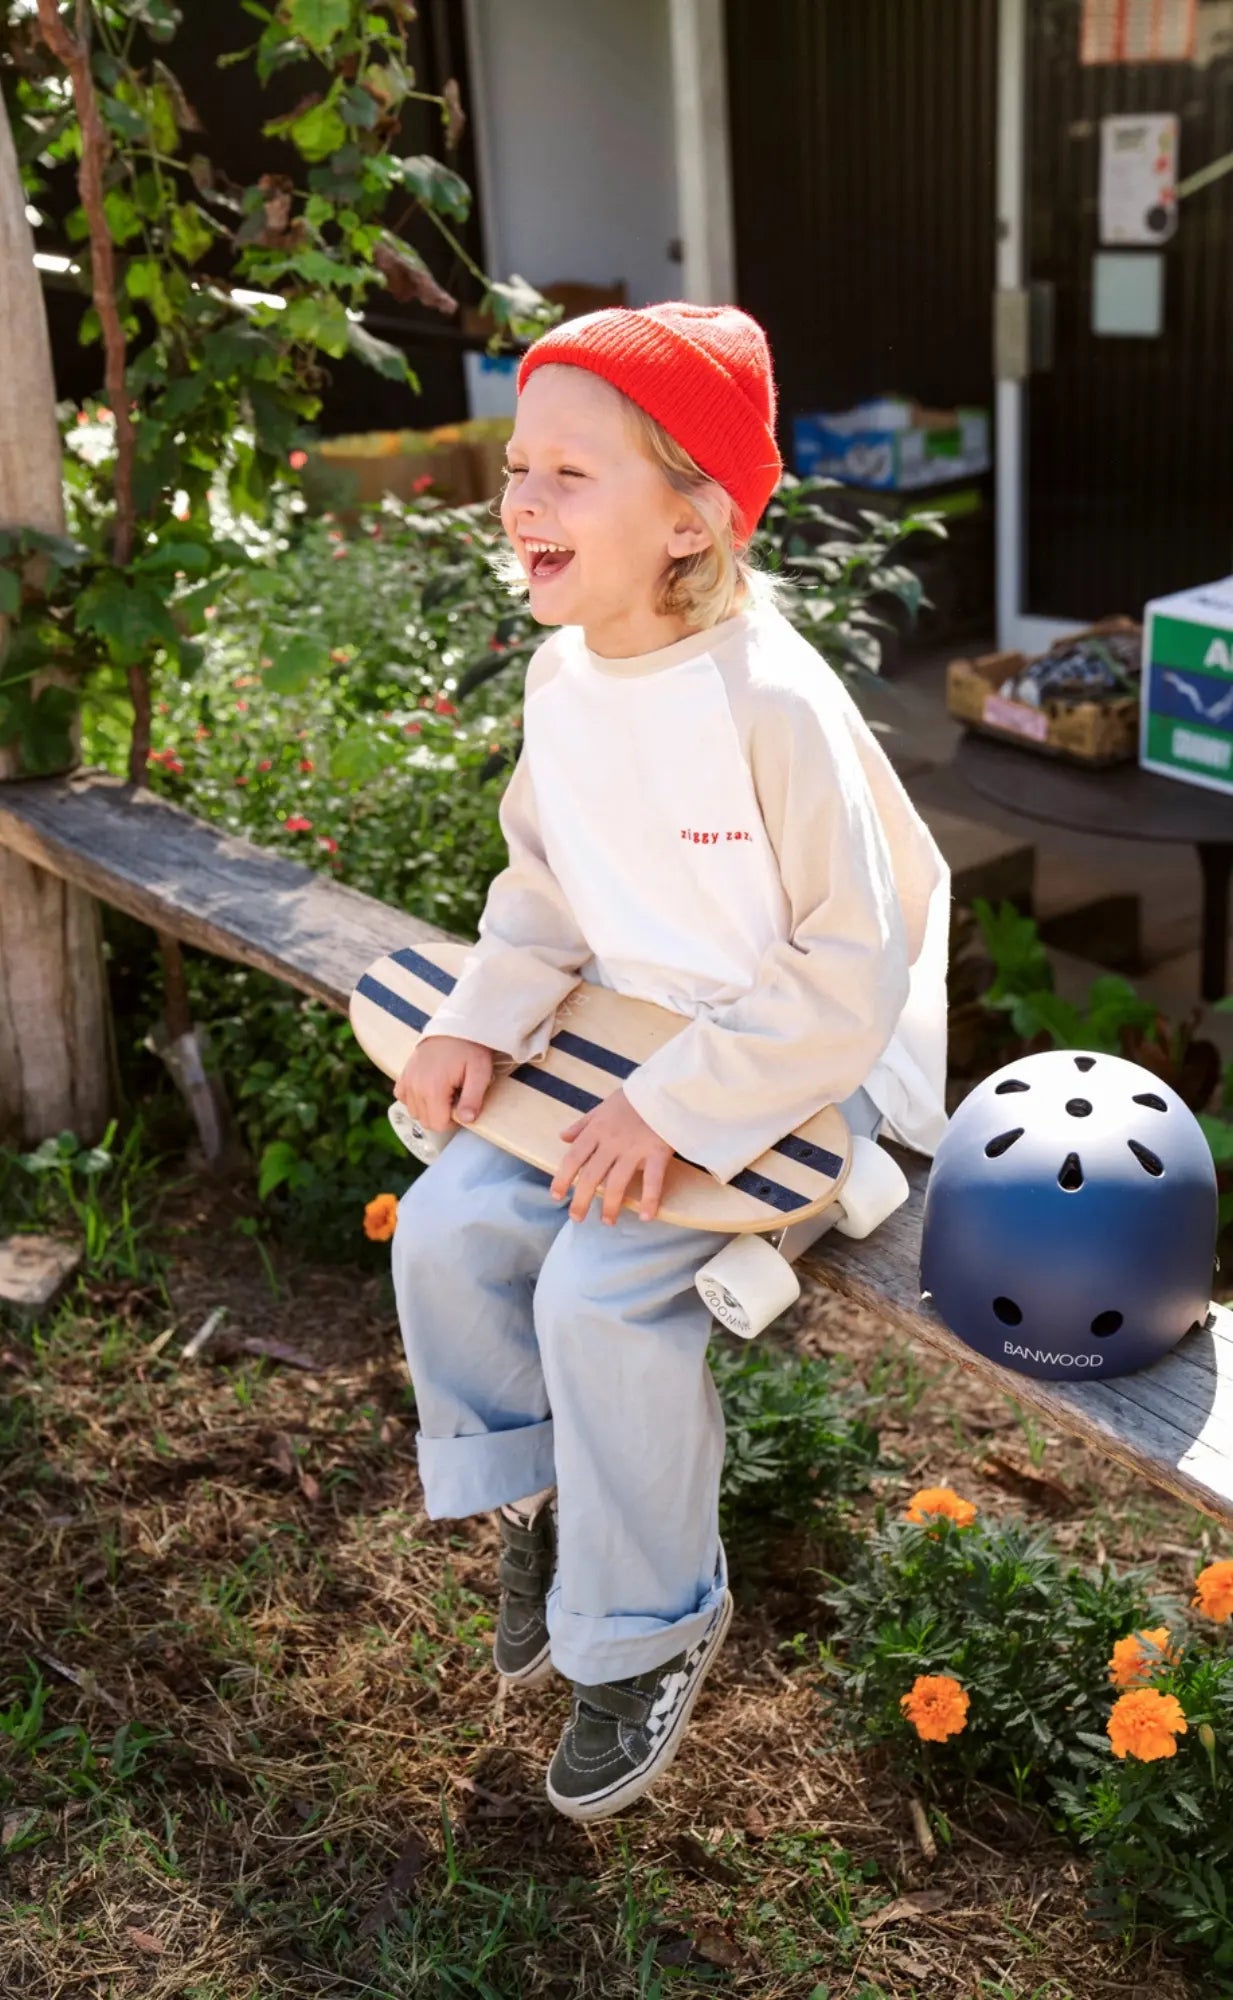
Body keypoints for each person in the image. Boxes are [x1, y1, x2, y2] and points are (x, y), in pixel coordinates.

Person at [390, 302, 949, 1823]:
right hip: (621, 1044)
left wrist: (678, 1109)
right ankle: (549, 1507)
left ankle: (647, 1625)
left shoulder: (770, 704)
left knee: (591, 1292)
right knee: (444, 1228)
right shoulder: (565, 682)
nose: (521, 502)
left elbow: (852, 965)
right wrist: (480, 1018)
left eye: (570, 474)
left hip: (789, 1072)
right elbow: (549, 886)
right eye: (519, 466)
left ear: (690, 517)